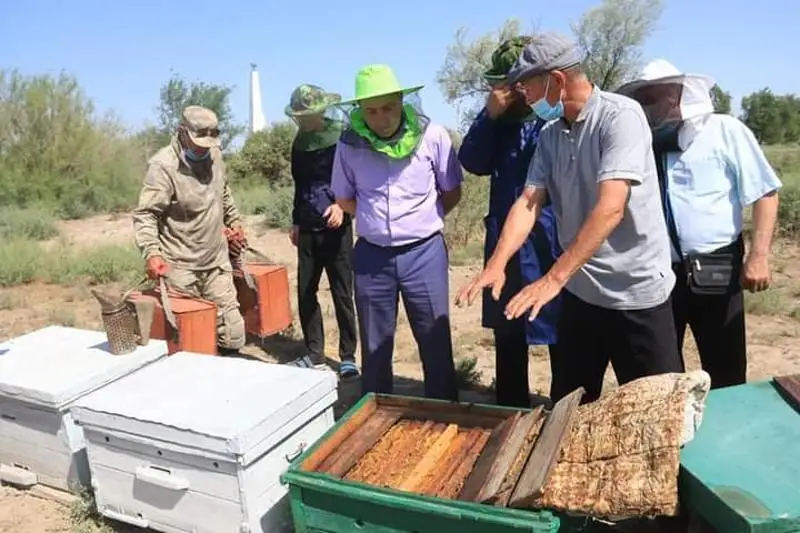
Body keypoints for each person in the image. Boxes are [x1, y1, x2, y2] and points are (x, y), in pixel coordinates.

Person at [456, 33, 684, 404]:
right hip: (582, 295)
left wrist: (553, 278)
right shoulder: (551, 134)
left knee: (656, 408)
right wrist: (497, 263)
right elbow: (528, 202)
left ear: (556, 80)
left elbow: (611, 207)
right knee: (570, 406)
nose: (524, 96)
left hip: (636, 295)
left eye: (527, 85)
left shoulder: (620, 117)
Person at [618, 60, 782, 389]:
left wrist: (759, 256)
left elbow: (765, 192)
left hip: (716, 263)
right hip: (657, 271)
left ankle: (729, 435)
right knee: (660, 370)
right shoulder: (641, 143)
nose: (648, 106)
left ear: (679, 94)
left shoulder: (725, 130)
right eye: (643, 98)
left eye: (654, 97)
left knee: (726, 366)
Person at [331, 64, 463, 401]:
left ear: (402, 101)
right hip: (372, 256)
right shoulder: (348, 145)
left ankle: (444, 416)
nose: (381, 118)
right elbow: (344, 198)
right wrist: (377, 220)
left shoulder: (433, 135)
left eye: (388, 107)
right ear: (359, 111)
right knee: (374, 348)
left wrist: (420, 220)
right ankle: (374, 422)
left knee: (435, 341)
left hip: (425, 253)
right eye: (371, 110)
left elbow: (451, 190)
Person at [457, 36, 563, 408]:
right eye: (503, 84)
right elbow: (472, 162)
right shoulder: (498, 123)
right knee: (509, 330)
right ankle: (511, 408)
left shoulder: (552, 118)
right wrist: (488, 115)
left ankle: (564, 407)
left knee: (559, 328)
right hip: (504, 239)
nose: (514, 92)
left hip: (550, 239)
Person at [133, 105, 247, 356]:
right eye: (198, 143)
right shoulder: (163, 166)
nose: (204, 149)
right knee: (190, 341)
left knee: (232, 333)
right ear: (182, 133)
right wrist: (152, 253)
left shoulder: (215, 156)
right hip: (180, 268)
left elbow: (224, 193)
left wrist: (234, 224)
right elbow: (146, 215)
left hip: (216, 261)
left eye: (209, 143)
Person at [284, 84, 359, 380]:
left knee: (342, 291)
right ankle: (314, 352)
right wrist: (295, 220)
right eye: (300, 114)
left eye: (308, 113)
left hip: (336, 227)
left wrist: (343, 207)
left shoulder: (341, 138)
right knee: (305, 290)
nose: (303, 119)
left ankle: (348, 357)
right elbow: (300, 185)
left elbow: (352, 180)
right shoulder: (298, 143)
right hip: (307, 226)